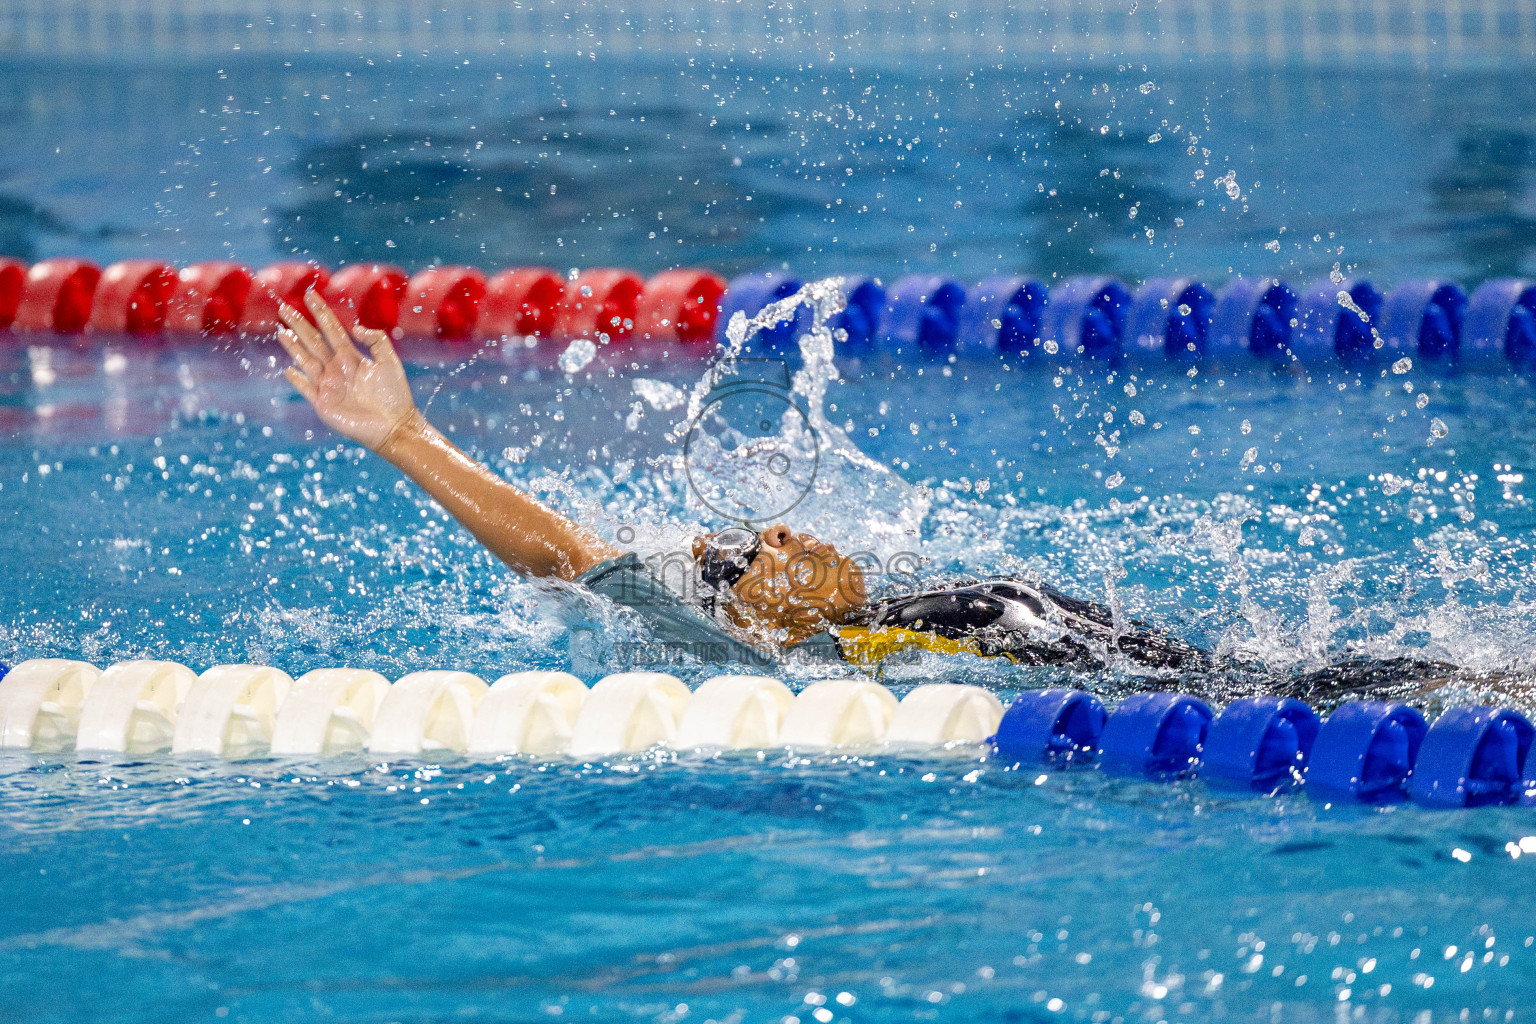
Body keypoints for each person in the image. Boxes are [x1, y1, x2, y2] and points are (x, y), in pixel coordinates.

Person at [274, 292, 1510, 703]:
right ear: (751, 609)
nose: (796, 534)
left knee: (1275, 677)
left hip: (1099, 647)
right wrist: (409, 437)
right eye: (765, 547)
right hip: (1083, 664)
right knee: (1280, 690)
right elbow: (566, 558)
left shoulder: (886, 619)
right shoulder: (807, 648)